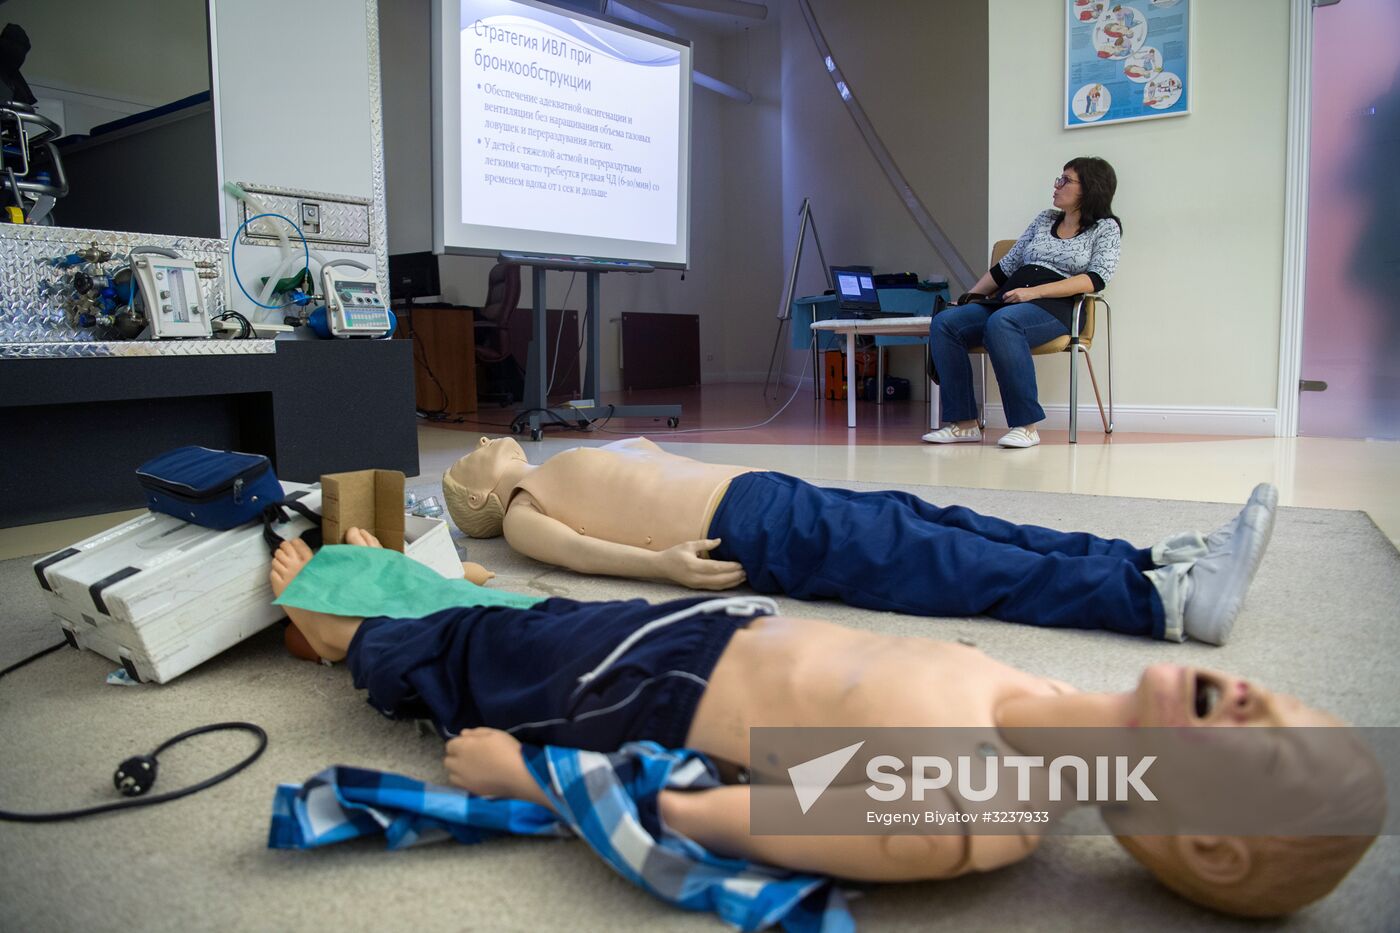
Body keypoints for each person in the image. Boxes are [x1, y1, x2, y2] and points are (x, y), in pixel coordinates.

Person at [268, 532, 1383, 918]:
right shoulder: (1048, 706)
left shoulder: (979, 807)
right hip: (693, 629)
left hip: (625, 695)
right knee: (539, 613)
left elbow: (724, 818)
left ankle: (342, 641)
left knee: (460, 659)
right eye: (1283, 696)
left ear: (1208, 841)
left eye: (1265, 741)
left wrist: (527, 779)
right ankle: (481, 595)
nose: (1254, 695)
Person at [443, 435, 1277, 645]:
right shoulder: (522, 503)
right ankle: (1164, 603)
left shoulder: (566, 454)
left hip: (769, 495)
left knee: (950, 523)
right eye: (470, 463)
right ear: (480, 494)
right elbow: (578, 555)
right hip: (745, 530)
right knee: (942, 561)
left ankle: (1138, 558)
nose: (477, 449)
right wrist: (658, 565)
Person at [923, 157, 1123, 449]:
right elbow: (1006, 267)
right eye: (1059, 178)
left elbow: (1095, 279)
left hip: (1058, 307)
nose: (1057, 185)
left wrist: (1037, 292)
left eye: (1066, 180)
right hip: (1011, 299)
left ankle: (1025, 426)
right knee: (946, 322)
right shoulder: (1044, 219)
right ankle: (963, 423)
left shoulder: (1105, 228)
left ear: (1090, 188)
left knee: (1004, 323)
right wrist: (969, 298)